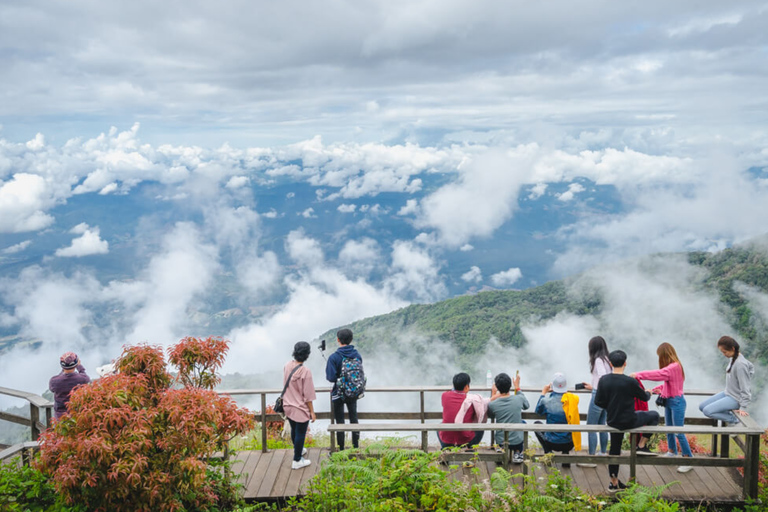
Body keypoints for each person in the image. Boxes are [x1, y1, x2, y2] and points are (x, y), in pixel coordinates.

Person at [595, 350, 659, 492]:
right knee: (654, 415)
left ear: (610, 364)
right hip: (630, 420)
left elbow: (598, 401)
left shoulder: (604, 380)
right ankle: (641, 446)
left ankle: (613, 483)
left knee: (614, 451)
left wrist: (611, 406)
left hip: (612, 420)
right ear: (625, 363)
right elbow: (644, 398)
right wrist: (649, 392)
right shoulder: (630, 381)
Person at [631, 342, 694, 473]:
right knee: (669, 428)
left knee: (678, 431)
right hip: (670, 401)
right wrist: (657, 389)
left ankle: (688, 459)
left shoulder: (674, 367)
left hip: (677, 402)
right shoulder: (675, 366)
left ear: (664, 355)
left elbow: (659, 374)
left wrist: (639, 375)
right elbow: (670, 383)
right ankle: (671, 451)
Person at [699, 336, 754, 425]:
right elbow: (751, 367)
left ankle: (734, 420)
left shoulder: (740, 364)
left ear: (732, 348)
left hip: (735, 398)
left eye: (725, 352)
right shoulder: (734, 358)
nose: (724, 354)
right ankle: (729, 416)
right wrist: (748, 374)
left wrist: (743, 407)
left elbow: (745, 388)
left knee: (707, 411)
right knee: (702, 406)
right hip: (727, 393)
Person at [325, 328, 362, 450]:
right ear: (351, 340)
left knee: (340, 421)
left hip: (338, 394)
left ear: (338, 340)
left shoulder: (334, 357)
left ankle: (341, 449)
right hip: (353, 392)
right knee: (354, 418)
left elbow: (330, 377)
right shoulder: (357, 355)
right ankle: (355, 447)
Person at [283, 341, 317, 469]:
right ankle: (297, 460)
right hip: (300, 407)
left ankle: (299, 450)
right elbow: (308, 395)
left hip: (288, 405)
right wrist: (312, 412)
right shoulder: (305, 371)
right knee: (301, 433)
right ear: (307, 354)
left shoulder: (287, 365)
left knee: (294, 430)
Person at [580, 336, 611, 466]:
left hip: (598, 395)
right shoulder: (607, 359)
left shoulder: (598, 360)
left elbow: (603, 377)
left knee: (591, 426)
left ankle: (591, 458)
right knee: (603, 425)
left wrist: (596, 389)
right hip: (607, 395)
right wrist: (593, 385)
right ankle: (603, 452)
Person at [534, 373, 577, 463]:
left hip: (551, 443)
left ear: (552, 386)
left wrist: (543, 393)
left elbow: (538, 411)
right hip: (569, 443)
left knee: (536, 424)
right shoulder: (572, 400)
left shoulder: (546, 401)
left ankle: (548, 452)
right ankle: (565, 454)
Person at [487, 372, 529, 463]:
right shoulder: (519, 399)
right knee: (523, 423)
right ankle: (517, 452)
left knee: (500, 429)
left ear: (497, 388)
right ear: (510, 386)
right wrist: (517, 387)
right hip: (516, 441)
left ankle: (500, 450)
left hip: (501, 441)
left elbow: (490, 414)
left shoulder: (493, 404)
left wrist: (493, 394)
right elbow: (527, 406)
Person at [438, 372, 487, 449]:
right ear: (467, 387)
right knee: (480, 428)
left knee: (440, 425)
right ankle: (471, 447)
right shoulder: (472, 401)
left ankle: (445, 448)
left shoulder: (444, 396)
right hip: (465, 440)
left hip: (446, 440)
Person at [49, 352, 91, 420]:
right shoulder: (82, 379)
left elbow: (52, 389)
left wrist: (64, 369)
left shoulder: (54, 381)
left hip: (60, 417)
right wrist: (80, 366)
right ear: (76, 363)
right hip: (77, 415)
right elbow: (85, 377)